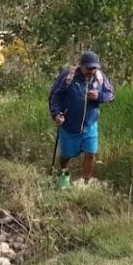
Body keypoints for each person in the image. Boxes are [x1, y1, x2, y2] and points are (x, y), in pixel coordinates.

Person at [48, 51, 115, 186]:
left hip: (90, 125)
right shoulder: (68, 76)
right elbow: (55, 96)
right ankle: (64, 173)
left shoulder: (99, 78)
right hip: (69, 125)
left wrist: (99, 96)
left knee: (90, 153)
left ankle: (86, 182)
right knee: (66, 155)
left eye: (94, 68)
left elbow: (111, 94)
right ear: (81, 65)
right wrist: (56, 114)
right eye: (88, 68)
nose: (91, 71)